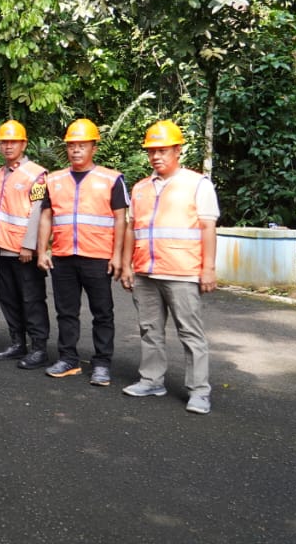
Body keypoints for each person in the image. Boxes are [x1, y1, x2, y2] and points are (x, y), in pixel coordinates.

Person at [120, 120, 218, 415]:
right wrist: (126, 265)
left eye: (162, 150)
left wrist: (208, 269)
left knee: (190, 333)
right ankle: (151, 380)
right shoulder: (140, 188)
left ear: (177, 150)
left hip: (182, 272)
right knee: (150, 330)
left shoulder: (197, 183)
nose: (156, 156)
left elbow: (207, 227)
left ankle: (199, 391)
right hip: (146, 272)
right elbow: (130, 229)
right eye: (151, 151)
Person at [37, 119, 128, 386]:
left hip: (98, 257)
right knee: (66, 312)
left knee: (103, 313)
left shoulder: (112, 179)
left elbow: (122, 219)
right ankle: (68, 359)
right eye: (72, 145)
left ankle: (102, 364)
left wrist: (118, 256)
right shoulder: (53, 180)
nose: (76, 150)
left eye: (82, 145)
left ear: (93, 147)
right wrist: (43, 250)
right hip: (64, 256)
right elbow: (46, 217)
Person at [0, 119, 52, 369]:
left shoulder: (36, 174)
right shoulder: (0, 173)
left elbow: (38, 211)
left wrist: (29, 246)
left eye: (13, 141)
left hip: (23, 251)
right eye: (3, 142)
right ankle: (18, 343)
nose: (7, 146)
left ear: (24, 144)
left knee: (32, 299)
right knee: (9, 298)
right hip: (2, 248)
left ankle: (39, 348)